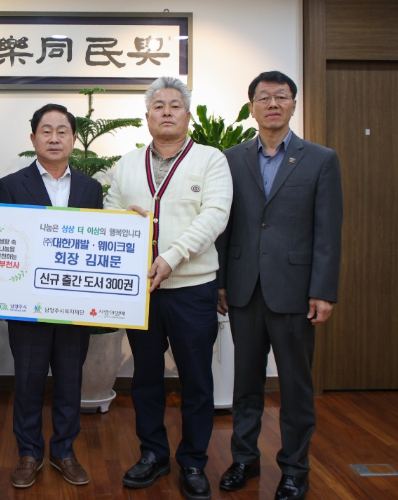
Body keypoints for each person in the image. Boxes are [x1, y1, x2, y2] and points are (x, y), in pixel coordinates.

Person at [216, 71, 343, 500]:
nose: (273, 104)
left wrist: (323, 290)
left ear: (293, 104)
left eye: (281, 97)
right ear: (251, 106)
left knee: (295, 386)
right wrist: (221, 281)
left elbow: (328, 231)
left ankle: (295, 468)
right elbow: (223, 225)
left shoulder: (320, 159)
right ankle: (244, 459)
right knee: (246, 382)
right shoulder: (231, 159)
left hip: (295, 291)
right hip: (244, 288)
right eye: (264, 97)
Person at [104, 76, 232, 500]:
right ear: (147, 116)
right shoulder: (127, 163)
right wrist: (122, 218)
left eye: (175, 105)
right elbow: (109, 210)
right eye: (158, 106)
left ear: (187, 114)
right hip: (140, 292)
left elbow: (215, 215)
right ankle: (153, 454)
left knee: (196, 379)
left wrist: (172, 257)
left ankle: (193, 461)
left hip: (192, 289)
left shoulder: (211, 160)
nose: (166, 112)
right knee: (145, 376)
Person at [0, 104, 103, 489]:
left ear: (73, 138)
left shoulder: (91, 188)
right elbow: (3, 243)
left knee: (70, 379)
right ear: (33, 138)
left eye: (62, 131)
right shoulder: (9, 185)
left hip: (74, 305)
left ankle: (64, 450)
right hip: (28, 304)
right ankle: (28, 452)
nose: (54, 138)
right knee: (28, 380)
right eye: (46, 131)